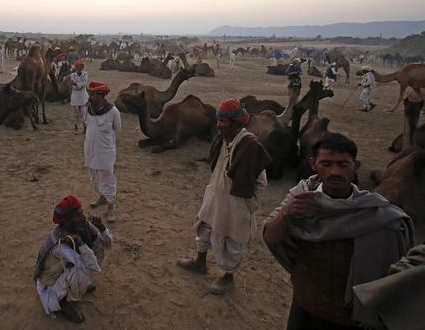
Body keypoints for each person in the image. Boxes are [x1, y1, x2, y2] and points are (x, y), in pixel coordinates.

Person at [263, 133, 413, 330]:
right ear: (313, 164)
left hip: (352, 319)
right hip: (305, 305)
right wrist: (286, 214)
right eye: (326, 163)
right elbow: (270, 237)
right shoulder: (300, 198)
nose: (335, 171)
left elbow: (394, 277)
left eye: (343, 164)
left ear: (355, 166)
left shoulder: (381, 216)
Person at [177, 99, 271, 295]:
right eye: (219, 121)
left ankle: (228, 278)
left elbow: (261, 182)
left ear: (236, 123)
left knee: (233, 241)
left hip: (236, 202)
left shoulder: (250, 146)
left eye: (223, 122)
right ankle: (199, 263)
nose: (219, 125)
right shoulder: (222, 139)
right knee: (203, 226)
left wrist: (245, 199)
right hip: (214, 193)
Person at [33, 195, 113, 324]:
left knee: (97, 245)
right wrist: (80, 243)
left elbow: (107, 244)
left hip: (65, 272)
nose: (83, 217)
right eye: (78, 215)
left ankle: (79, 287)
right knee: (81, 273)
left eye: (81, 212)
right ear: (67, 221)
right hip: (51, 285)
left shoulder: (83, 226)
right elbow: (91, 267)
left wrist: (102, 228)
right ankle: (64, 304)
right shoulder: (61, 244)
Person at [84, 81, 121, 223]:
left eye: (93, 94)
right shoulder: (88, 109)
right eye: (90, 93)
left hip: (106, 152)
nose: (90, 97)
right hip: (90, 150)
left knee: (108, 179)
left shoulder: (113, 112)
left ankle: (111, 208)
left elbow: (117, 129)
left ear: (101, 95)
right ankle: (102, 198)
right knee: (96, 177)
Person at [69, 60, 88, 132]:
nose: (79, 68)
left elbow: (84, 84)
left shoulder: (85, 74)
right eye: (77, 66)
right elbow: (74, 86)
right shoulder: (72, 75)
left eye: (80, 66)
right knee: (75, 112)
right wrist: (78, 84)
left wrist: (76, 84)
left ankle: (84, 127)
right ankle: (76, 126)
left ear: (82, 67)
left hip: (83, 96)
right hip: (75, 96)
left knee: (84, 112)